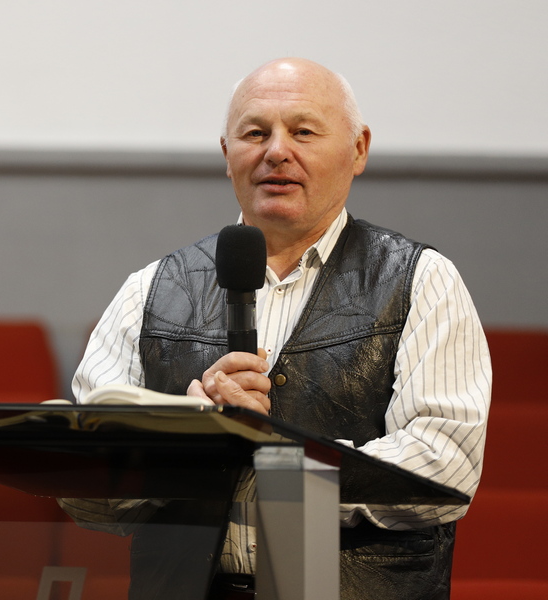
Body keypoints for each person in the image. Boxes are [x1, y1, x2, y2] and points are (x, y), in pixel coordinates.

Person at [70, 58, 492, 599]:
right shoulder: (150, 289)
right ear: (227, 154)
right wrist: (189, 442)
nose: (276, 151)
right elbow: (84, 489)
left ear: (358, 149)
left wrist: (264, 461)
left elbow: (444, 466)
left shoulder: (421, 281)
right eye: (254, 133)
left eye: (303, 132)